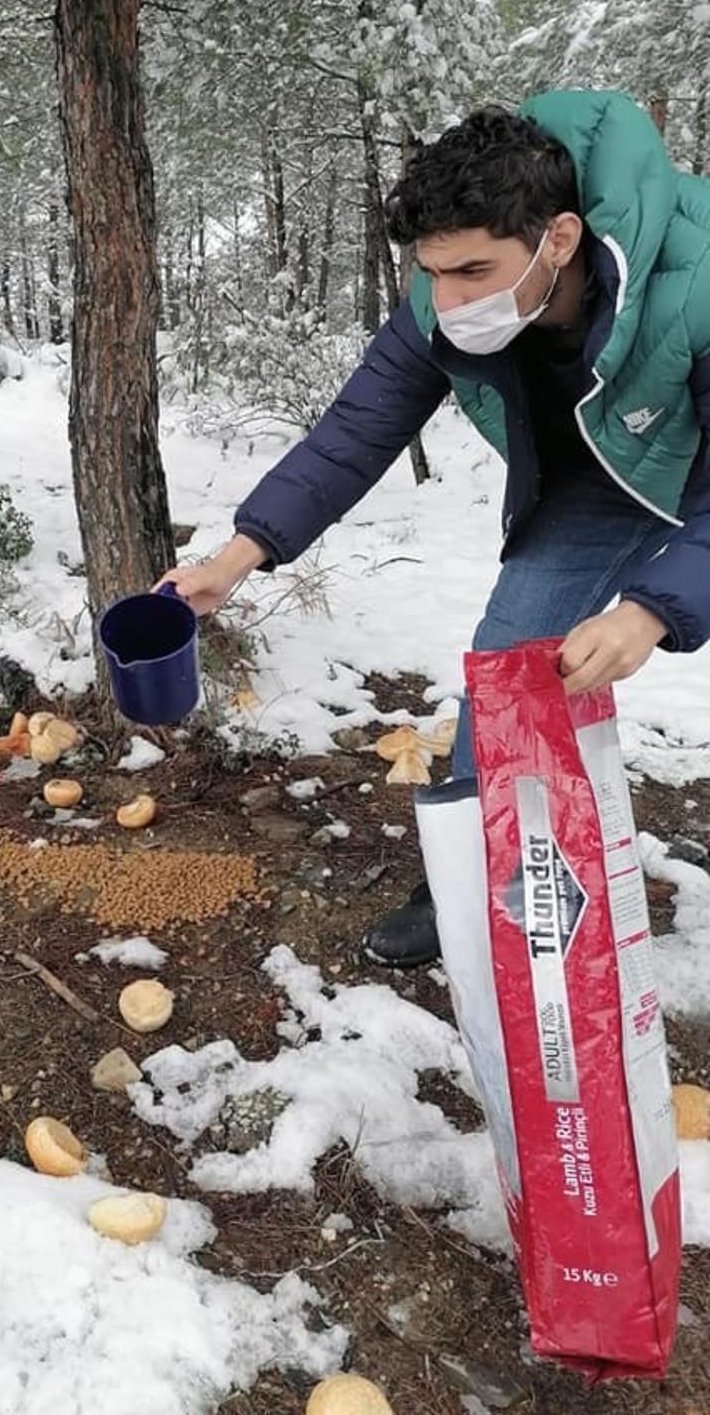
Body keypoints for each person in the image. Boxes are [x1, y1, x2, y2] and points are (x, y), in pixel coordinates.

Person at [157, 90, 710, 967]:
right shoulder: (438, 300)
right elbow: (355, 432)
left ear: (557, 239)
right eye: (433, 272)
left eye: (473, 275)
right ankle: (471, 880)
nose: (448, 300)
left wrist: (651, 609)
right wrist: (238, 555)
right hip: (593, 490)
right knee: (503, 680)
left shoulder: (698, 273)